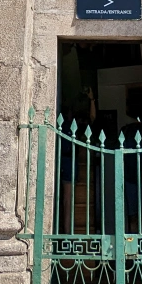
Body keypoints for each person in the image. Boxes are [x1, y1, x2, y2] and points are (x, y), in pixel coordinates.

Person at [59, 86, 96, 234]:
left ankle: (68, 234)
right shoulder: (64, 124)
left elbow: (92, 118)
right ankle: (67, 234)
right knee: (67, 199)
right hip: (66, 161)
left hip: (71, 161)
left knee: (68, 199)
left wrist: (91, 99)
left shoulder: (76, 124)